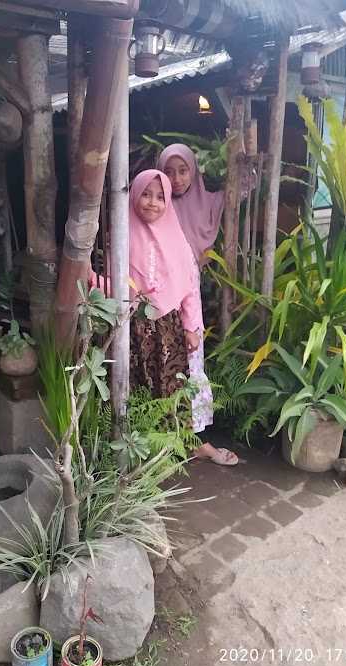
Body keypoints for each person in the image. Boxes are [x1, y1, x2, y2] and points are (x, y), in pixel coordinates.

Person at [158, 144, 238, 466]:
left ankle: (196, 440)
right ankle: (166, 437)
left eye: (183, 170)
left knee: (191, 365)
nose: (176, 179)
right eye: (169, 172)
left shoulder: (208, 201)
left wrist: (239, 149)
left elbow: (243, 187)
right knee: (161, 367)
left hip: (188, 295)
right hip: (157, 299)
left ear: (194, 170)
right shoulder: (155, 206)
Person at [128, 169, 202, 398]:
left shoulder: (176, 239)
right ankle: (141, 434)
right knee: (137, 387)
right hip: (132, 325)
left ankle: (172, 434)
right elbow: (116, 281)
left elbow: (189, 287)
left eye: (160, 197)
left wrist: (191, 328)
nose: (153, 203)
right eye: (146, 194)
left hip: (169, 326)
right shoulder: (123, 234)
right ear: (134, 194)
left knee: (171, 388)